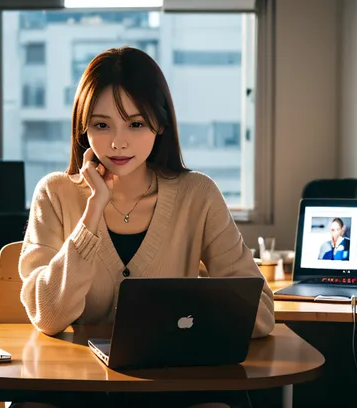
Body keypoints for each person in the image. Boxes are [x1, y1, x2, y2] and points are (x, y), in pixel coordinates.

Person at [16, 47, 274, 408]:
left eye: (136, 124)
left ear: (161, 124)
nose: (118, 142)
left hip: (171, 389)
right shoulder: (55, 193)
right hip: (75, 389)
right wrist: (92, 213)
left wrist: (196, 304)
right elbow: (48, 316)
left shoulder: (197, 194)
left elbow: (261, 313)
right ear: (83, 128)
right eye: (101, 125)